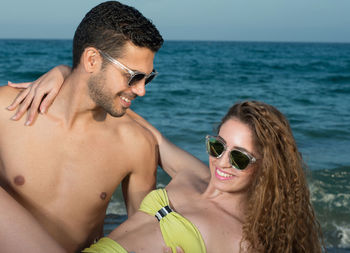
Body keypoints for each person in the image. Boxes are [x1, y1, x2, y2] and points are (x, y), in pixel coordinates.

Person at [2, 99, 325, 252]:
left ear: (265, 167)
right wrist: (65, 77)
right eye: (218, 146)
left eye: (239, 157)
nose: (222, 162)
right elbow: (147, 131)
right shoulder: (194, 174)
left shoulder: (245, 240)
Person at [0, 1, 164, 252]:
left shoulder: (136, 145)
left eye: (148, 78)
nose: (141, 90)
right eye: (134, 77)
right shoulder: (6, 109)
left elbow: (142, 234)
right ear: (92, 60)